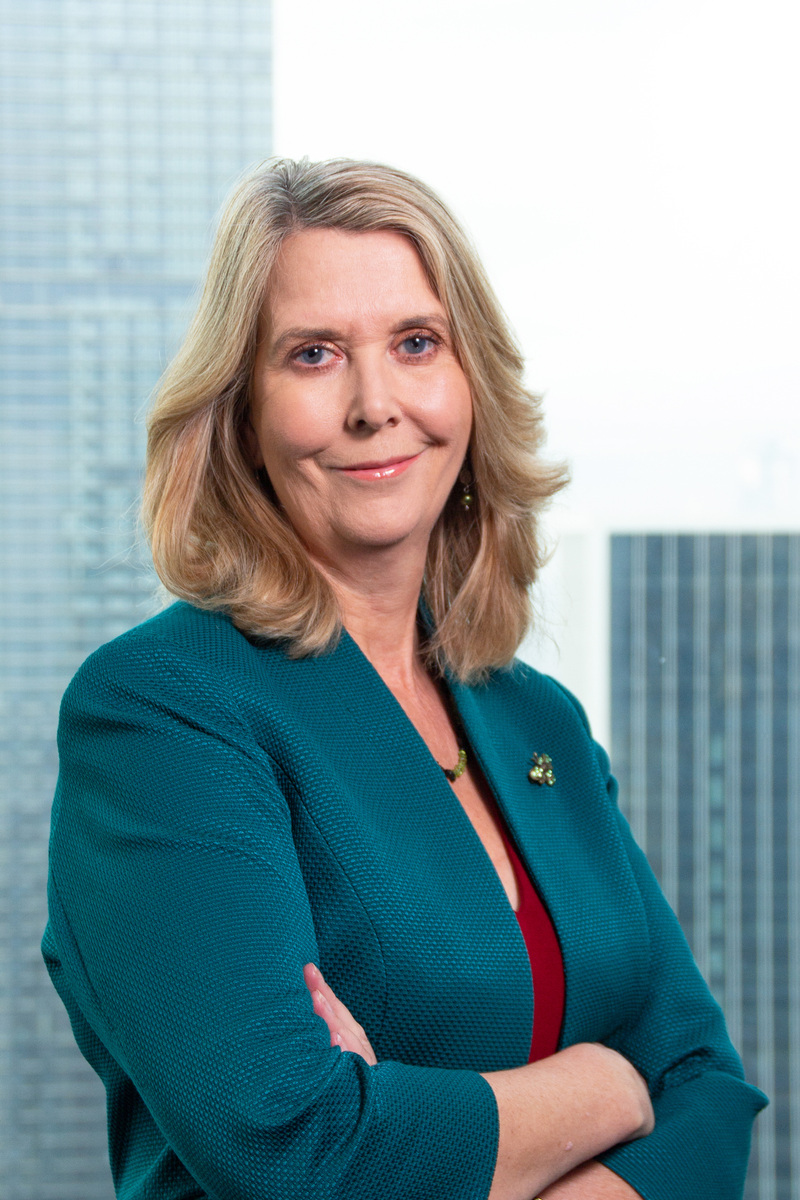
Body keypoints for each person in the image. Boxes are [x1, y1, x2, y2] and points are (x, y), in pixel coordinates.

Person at [43, 157, 766, 1200]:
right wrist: (604, 1085)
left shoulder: (536, 718)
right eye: (313, 355)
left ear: (470, 382)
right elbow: (295, 1147)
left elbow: (705, 1085)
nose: (374, 404)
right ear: (241, 408)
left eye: (416, 344)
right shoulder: (161, 714)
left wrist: (433, 1133)